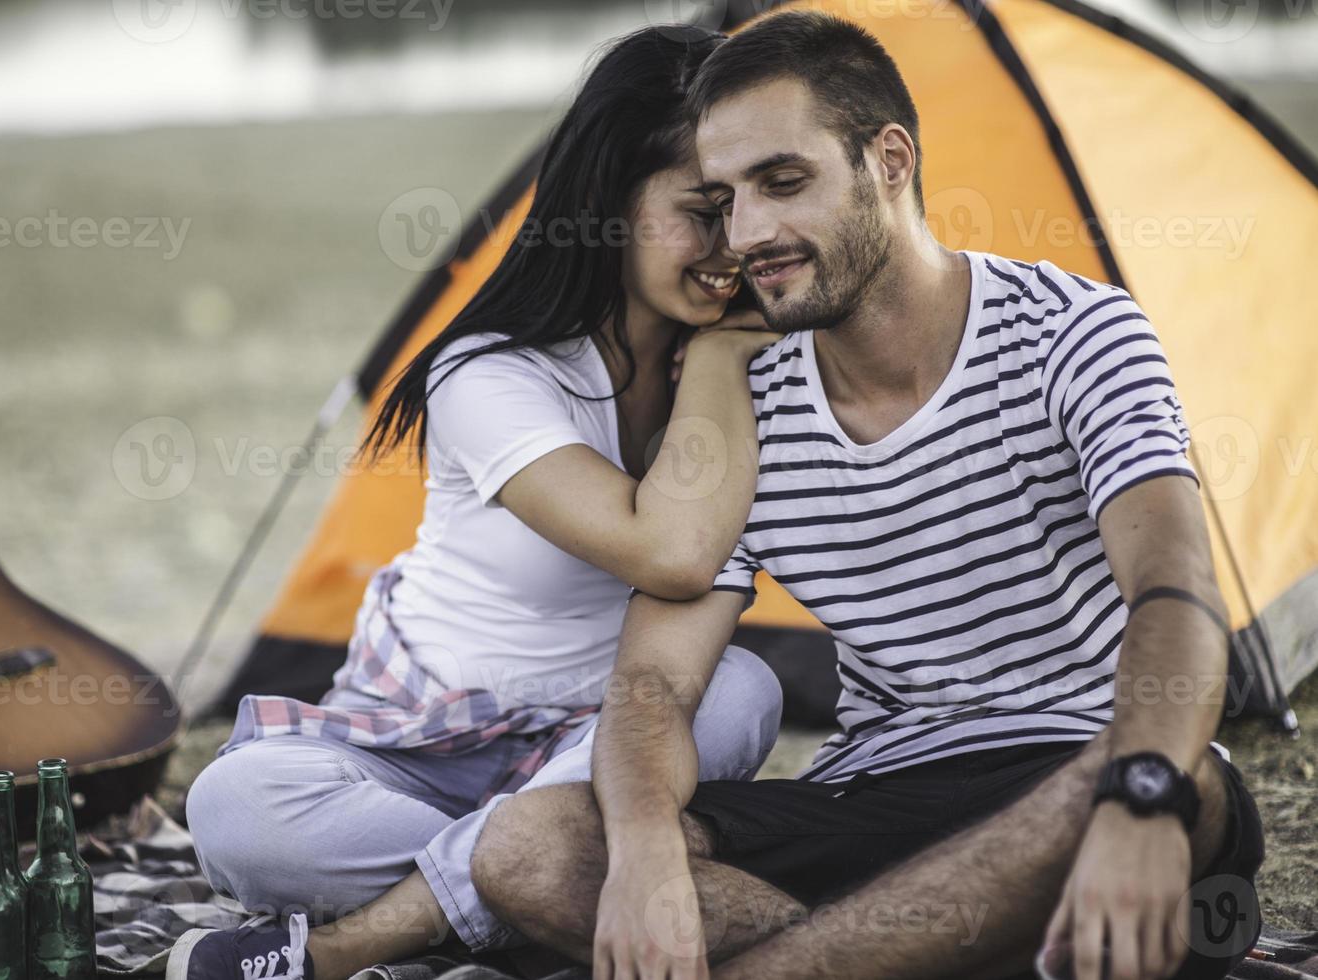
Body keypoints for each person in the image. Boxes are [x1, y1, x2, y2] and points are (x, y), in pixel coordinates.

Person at [466, 11, 1265, 980]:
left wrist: (1140, 790)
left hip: (1080, 760)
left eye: (783, 181)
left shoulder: (1075, 335)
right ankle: (1012, 950)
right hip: (878, 791)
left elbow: (1174, 593)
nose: (748, 233)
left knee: (1148, 786)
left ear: (887, 160)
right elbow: (653, 683)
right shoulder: (738, 402)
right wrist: (643, 853)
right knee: (526, 845)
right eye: (720, 199)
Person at [172, 26, 785, 980]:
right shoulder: (491, 371)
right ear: (609, 205)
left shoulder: (741, 367)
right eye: (702, 210)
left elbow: (693, 570)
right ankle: (537, 887)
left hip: (606, 748)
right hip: (414, 744)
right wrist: (717, 353)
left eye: (746, 208)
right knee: (234, 808)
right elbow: (661, 550)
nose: (733, 244)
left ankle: (357, 943)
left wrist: (711, 360)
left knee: (745, 691)